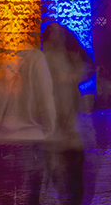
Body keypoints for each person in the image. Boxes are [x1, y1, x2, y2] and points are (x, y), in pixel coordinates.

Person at [0, 45, 55, 205]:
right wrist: (48, 131)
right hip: (29, 139)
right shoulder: (36, 58)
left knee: (1, 199)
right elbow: (46, 101)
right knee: (29, 198)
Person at [42, 23, 93, 204]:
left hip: (66, 137)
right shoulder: (54, 61)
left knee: (70, 186)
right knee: (72, 186)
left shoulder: (60, 61)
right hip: (65, 137)